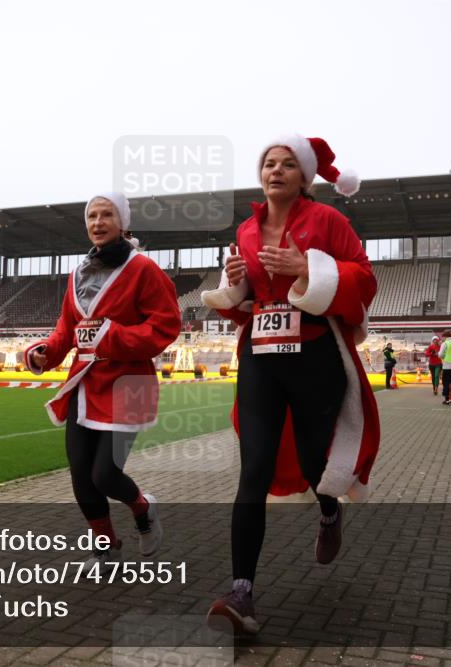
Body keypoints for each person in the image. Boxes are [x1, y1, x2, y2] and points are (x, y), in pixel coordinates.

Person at [201, 135, 380, 635]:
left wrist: (308, 268)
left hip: (314, 355)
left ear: (304, 176)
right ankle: (242, 592)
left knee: (311, 461)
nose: (275, 170)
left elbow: (364, 279)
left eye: (286, 165)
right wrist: (234, 279)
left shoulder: (328, 222)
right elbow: (245, 297)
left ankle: (328, 512)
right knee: (252, 470)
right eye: (267, 164)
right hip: (260, 357)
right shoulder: (246, 228)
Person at [23, 192, 181, 568]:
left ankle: (143, 509)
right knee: (81, 478)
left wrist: (112, 336)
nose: (97, 222)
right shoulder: (78, 273)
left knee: (105, 475)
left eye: (106, 214)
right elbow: (67, 328)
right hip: (85, 385)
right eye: (92, 216)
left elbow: (166, 325)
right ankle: (107, 548)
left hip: (130, 384)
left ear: (122, 222)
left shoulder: (144, 269)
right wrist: (45, 350)